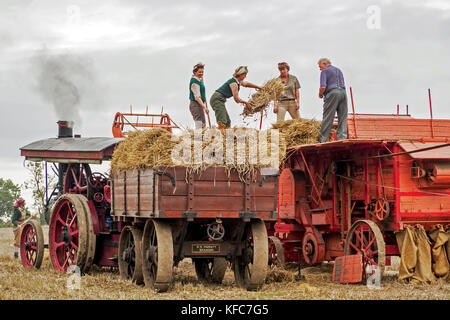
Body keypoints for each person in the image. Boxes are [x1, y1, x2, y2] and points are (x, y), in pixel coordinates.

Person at [317, 58, 348, 142]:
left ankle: (323, 139)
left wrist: (320, 94)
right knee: (342, 116)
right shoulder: (339, 70)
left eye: (320, 66)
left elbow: (323, 86)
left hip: (332, 93)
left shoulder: (324, 71)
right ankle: (342, 138)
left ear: (324, 63)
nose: (320, 68)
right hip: (343, 93)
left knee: (328, 116)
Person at [189, 62, 209, 129]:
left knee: (203, 124)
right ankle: (198, 138)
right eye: (199, 72)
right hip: (195, 105)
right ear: (195, 72)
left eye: (202, 72)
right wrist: (204, 107)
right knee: (199, 124)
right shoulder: (194, 82)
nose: (201, 73)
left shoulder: (198, 80)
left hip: (199, 105)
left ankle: (201, 138)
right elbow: (197, 97)